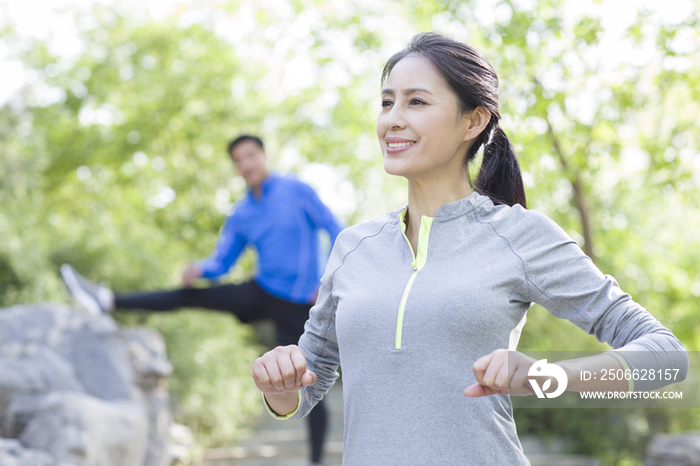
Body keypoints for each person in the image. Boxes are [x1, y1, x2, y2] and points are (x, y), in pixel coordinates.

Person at [250, 33, 689, 464]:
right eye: (387, 102)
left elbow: (667, 361)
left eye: (416, 102)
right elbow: (310, 381)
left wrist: (548, 376)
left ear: (473, 121)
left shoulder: (519, 236)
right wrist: (281, 385)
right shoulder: (353, 247)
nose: (392, 119)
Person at [61, 134, 343, 466]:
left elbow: (336, 229)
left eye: (251, 155)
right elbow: (223, 261)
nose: (246, 164)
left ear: (264, 155)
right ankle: (107, 300)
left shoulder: (296, 192)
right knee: (188, 295)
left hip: (302, 302)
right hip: (262, 291)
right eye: (238, 160)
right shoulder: (242, 212)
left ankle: (316, 461)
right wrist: (200, 269)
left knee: (308, 382)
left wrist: (328, 279)